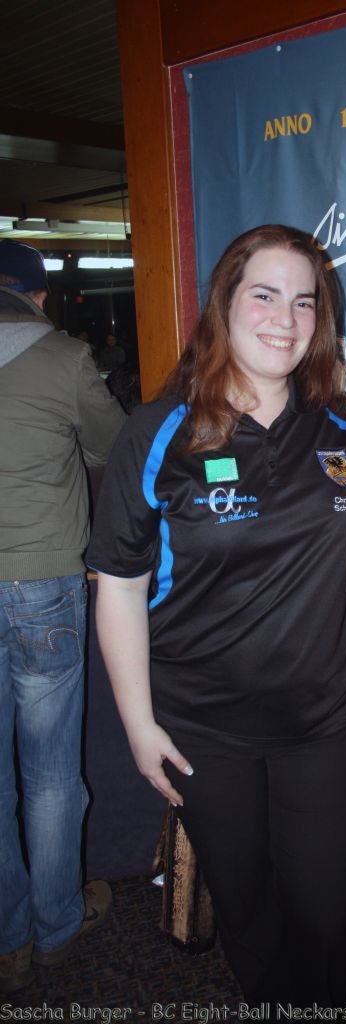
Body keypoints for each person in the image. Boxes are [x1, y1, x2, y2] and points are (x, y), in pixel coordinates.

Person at [88, 225, 346, 1006]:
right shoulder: (160, 430)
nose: (285, 318)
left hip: (324, 723)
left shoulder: (345, 430)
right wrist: (138, 726)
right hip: (203, 726)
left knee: (330, 910)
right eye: (264, 295)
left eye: (304, 302)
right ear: (225, 304)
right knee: (246, 906)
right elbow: (118, 585)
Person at [0, 240, 126, 993]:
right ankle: (54, 927)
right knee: (49, 775)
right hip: (43, 578)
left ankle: (7, 937)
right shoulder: (64, 358)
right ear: (38, 296)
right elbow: (112, 445)